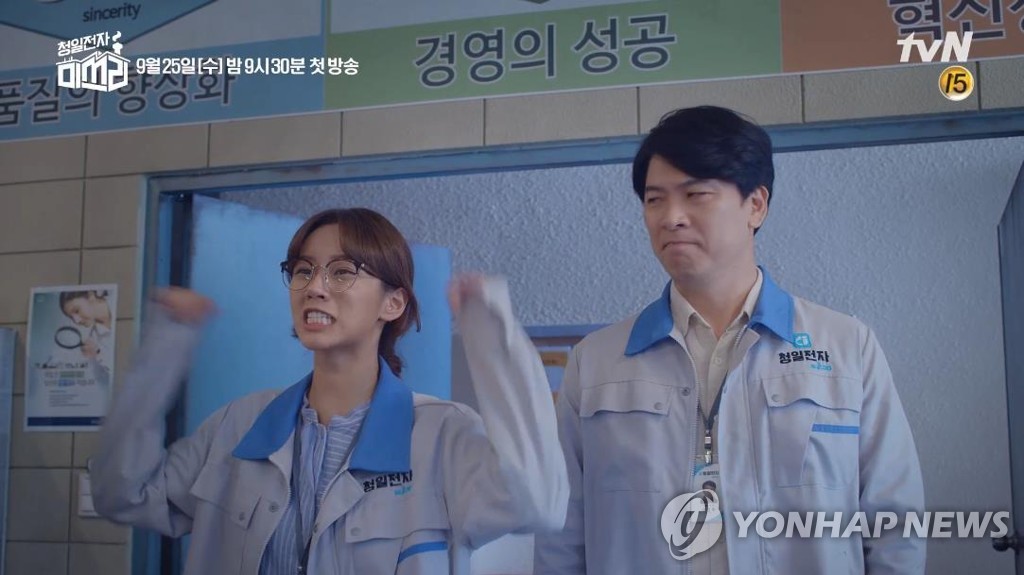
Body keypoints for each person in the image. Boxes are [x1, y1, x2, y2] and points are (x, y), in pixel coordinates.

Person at [533, 106, 925, 574]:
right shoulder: (596, 363)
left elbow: (895, 524)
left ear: (755, 205)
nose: (671, 217)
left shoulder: (846, 346)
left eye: (696, 194)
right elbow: (561, 536)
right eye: (655, 200)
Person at [92, 207, 569, 574]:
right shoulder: (240, 425)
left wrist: (492, 336)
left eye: (342, 271)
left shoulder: (441, 434)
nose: (314, 287)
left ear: (393, 303)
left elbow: (538, 504)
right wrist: (163, 349)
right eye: (303, 270)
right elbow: (123, 494)